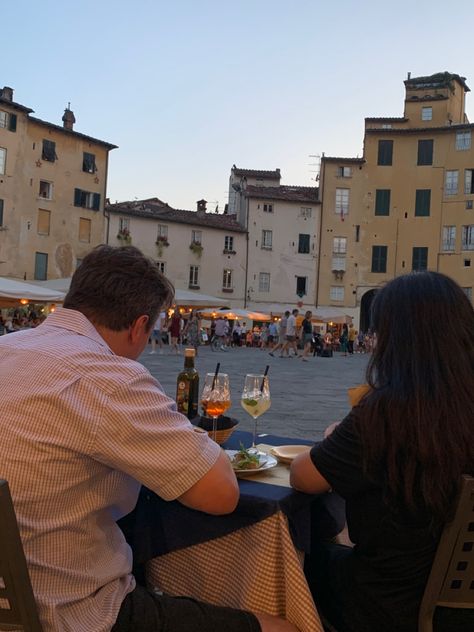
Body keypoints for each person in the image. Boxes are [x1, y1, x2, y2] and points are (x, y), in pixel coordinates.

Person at [0, 245, 296, 632]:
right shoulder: (108, 375)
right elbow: (222, 495)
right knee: (282, 627)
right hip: (69, 613)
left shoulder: (8, 347)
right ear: (140, 326)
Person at [290, 271, 474, 632]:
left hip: (386, 602)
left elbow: (304, 476)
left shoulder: (388, 412)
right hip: (460, 607)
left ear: (399, 339)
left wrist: (336, 438)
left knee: (295, 556)